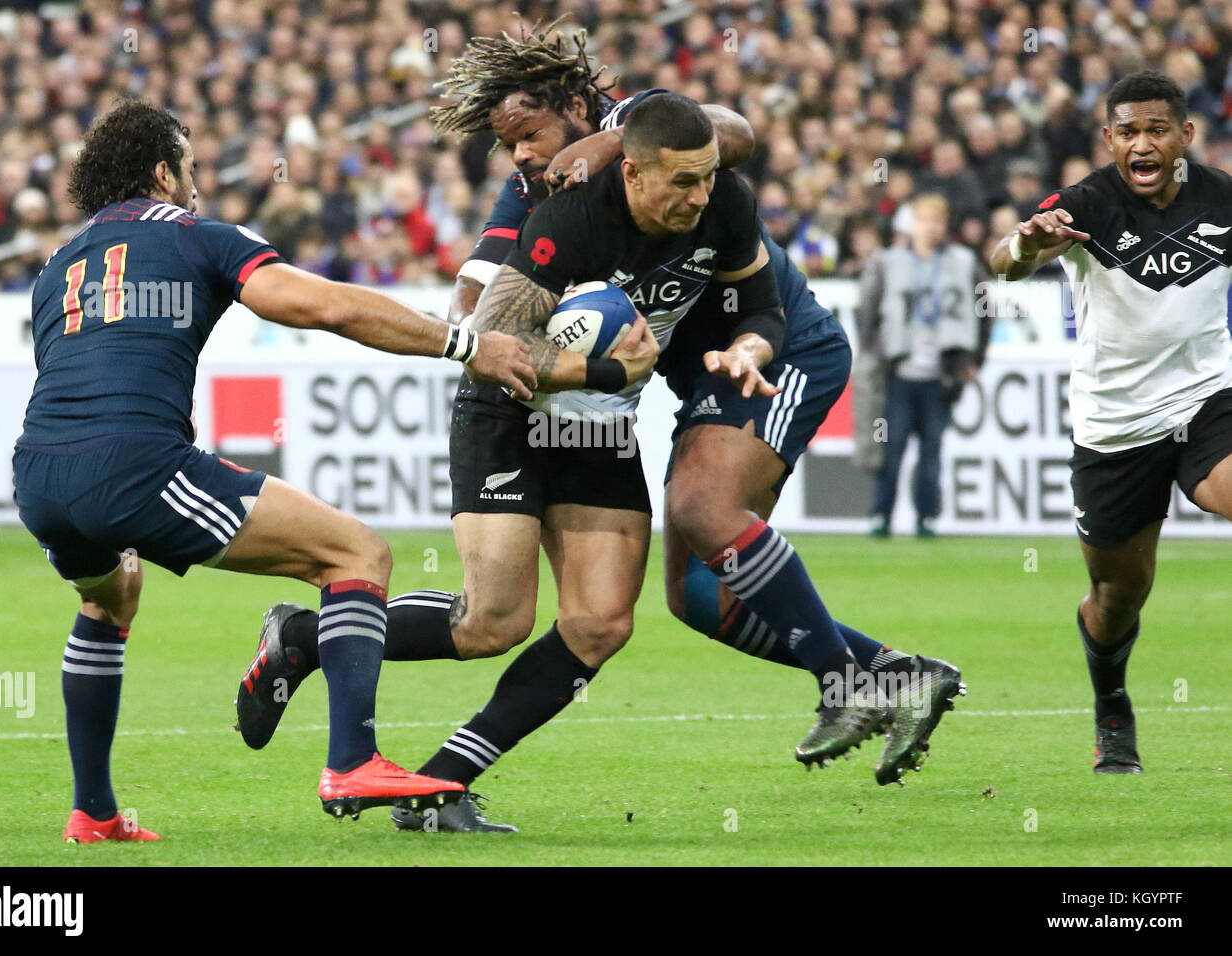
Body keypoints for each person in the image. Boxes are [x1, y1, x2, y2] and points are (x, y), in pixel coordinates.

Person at [236, 34, 963, 832]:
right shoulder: (540, 204)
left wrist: (615, 139)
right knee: (520, 619)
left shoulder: (673, 153)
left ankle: (439, 786)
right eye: (507, 144)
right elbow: (475, 327)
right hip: (532, 409)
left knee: (604, 619)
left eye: (532, 136)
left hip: (669, 396)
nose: (519, 156)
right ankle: (306, 637)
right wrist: (595, 366)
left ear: (584, 117)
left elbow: (738, 141)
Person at [11, 99, 536, 842]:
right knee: (357, 553)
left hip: (38, 475)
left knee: (110, 599)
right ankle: (353, 760)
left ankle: (93, 812)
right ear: (164, 172)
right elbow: (318, 305)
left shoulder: (58, 265)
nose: (195, 183)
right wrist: (462, 345)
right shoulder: (201, 238)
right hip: (135, 464)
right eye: (189, 167)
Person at [991, 70, 1232, 773]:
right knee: (1117, 597)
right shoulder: (1083, 203)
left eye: (1157, 129)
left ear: (1185, 134)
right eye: (1128, 131)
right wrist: (1031, 247)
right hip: (1114, 426)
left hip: (1206, 400)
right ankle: (1112, 706)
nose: (1143, 143)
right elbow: (1003, 259)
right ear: (1109, 139)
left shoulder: (1222, 198)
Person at [857, 193, 990, 538]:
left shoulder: (963, 261)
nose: (931, 228)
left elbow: (984, 308)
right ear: (912, 224)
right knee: (892, 448)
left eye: (936, 221)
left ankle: (926, 518)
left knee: (932, 452)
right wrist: (874, 353)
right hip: (899, 372)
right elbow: (867, 313)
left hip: (940, 374)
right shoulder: (888, 262)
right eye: (924, 220)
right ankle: (880, 515)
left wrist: (973, 359)